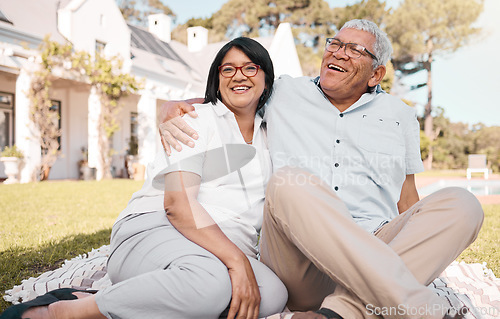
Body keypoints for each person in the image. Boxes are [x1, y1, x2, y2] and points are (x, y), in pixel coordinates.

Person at [158, 19, 484, 319]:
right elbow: (230, 97)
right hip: (299, 261)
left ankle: (340, 313)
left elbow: (407, 198)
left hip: (378, 246)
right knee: (289, 181)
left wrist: (421, 246)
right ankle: (418, 307)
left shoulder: (400, 115)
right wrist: (173, 108)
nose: (339, 53)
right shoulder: (283, 91)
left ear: (376, 74)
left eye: (355, 50)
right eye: (335, 44)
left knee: (462, 203)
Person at [1, 37, 287, 319]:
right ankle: (71, 310)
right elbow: (177, 204)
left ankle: (146, 301)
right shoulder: (194, 120)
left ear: (267, 80)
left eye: (250, 68)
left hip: (222, 249)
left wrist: (238, 259)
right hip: (157, 228)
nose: (239, 75)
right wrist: (236, 262)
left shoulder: (270, 136)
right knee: (210, 284)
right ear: (217, 78)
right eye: (228, 69)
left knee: (273, 295)